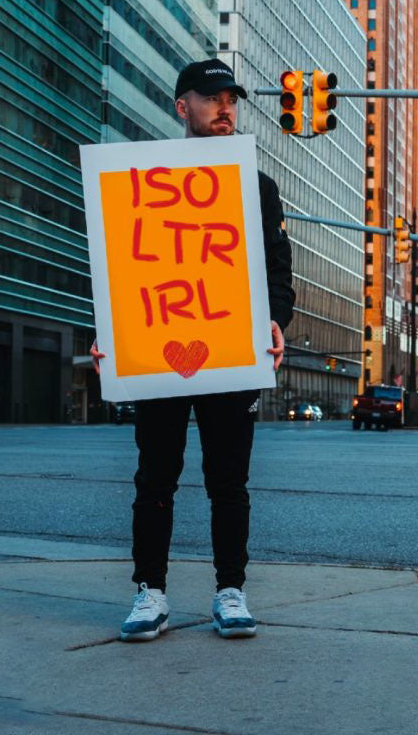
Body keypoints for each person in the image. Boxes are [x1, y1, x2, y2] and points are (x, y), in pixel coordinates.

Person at [91, 58, 294, 642]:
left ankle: (230, 590)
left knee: (228, 482)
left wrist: (277, 320)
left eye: (231, 97)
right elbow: (121, 267)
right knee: (155, 477)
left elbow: (276, 269)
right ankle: (149, 592)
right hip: (160, 349)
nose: (225, 106)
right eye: (211, 98)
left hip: (232, 348)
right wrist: (110, 328)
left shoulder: (257, 185)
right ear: (183, 107)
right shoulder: (141, 175)